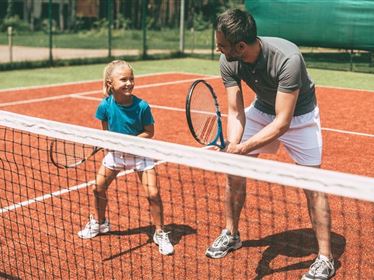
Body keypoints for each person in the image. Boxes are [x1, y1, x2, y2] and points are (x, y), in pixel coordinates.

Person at [205, 9, 335, 280]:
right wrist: (233, 145)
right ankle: (232, 234)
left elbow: (282, 123)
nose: (218, 48)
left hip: (299, 116)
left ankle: (325, 257)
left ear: (241, 46)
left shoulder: (288, 59)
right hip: (262, 109)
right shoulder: (228, 60)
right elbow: (236, 111)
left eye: (222, 45)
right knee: (235, 171)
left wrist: (242, 147)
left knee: (314, 185)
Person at [78, 60, 174, 256]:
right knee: (98, 188)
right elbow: (106, 132)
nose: (129, 83)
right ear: (110, 83)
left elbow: (150, 132)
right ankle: (99, 222)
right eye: (123, 79)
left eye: (131, 79)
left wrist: (130, 142)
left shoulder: (142, 106)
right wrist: (110, 143)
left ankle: (160, 232)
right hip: (116, 155)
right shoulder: (104, 106)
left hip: (140, 154)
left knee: (153, 194)